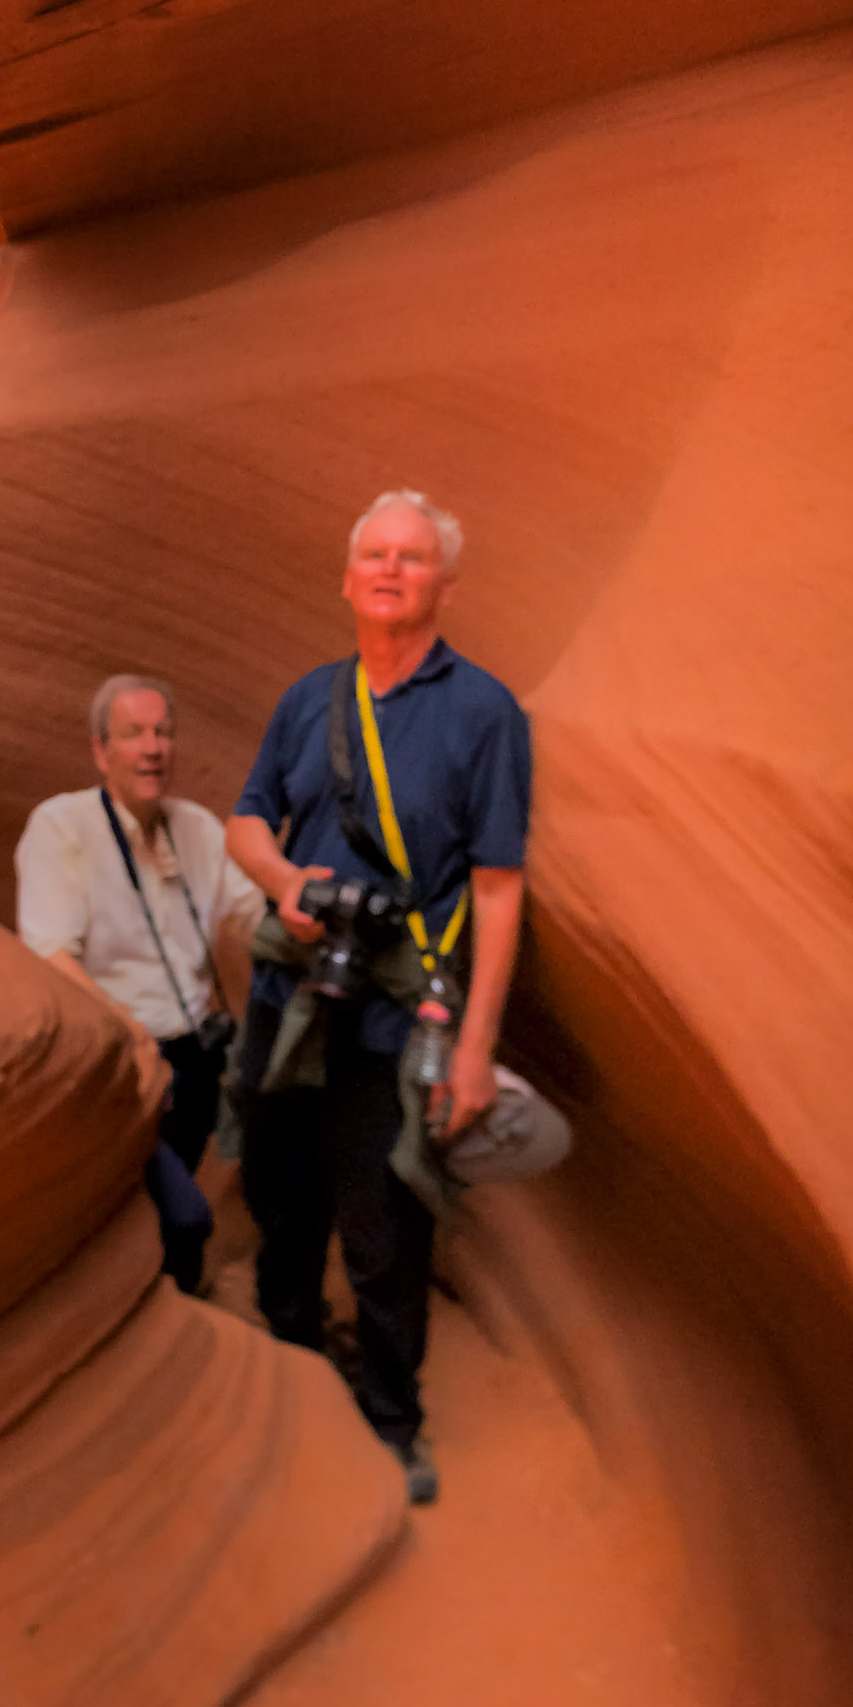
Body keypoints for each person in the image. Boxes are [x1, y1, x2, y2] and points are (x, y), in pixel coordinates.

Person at [226, 490, 560, 1506]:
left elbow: (499, 890)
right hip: (294, 994)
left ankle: (389, 1418)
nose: (388, 569)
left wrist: (473, 1047)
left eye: (411, 558)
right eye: (373, 554)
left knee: (385, 1225)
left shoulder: (483, 713)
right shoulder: (309, 700)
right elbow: (247, 821)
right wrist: (290, 886)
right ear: (346, 578)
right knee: (281, 1192)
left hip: (393, 1011)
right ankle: (288, 1348)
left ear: (444, 585)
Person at [15, 673, 260, 1293]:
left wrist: (304, 903)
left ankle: (170, 1320)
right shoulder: (63, 828)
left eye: (163, 732)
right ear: (101, 752)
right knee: (181, 1219)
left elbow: (254, 917)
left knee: (158, 1215)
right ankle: (157, 1335)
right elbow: (47, 952)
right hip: (127, 1064)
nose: (153, 748)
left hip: (198, 1060)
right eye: (133, 735)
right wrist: (128, 1033)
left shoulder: (197, 829)